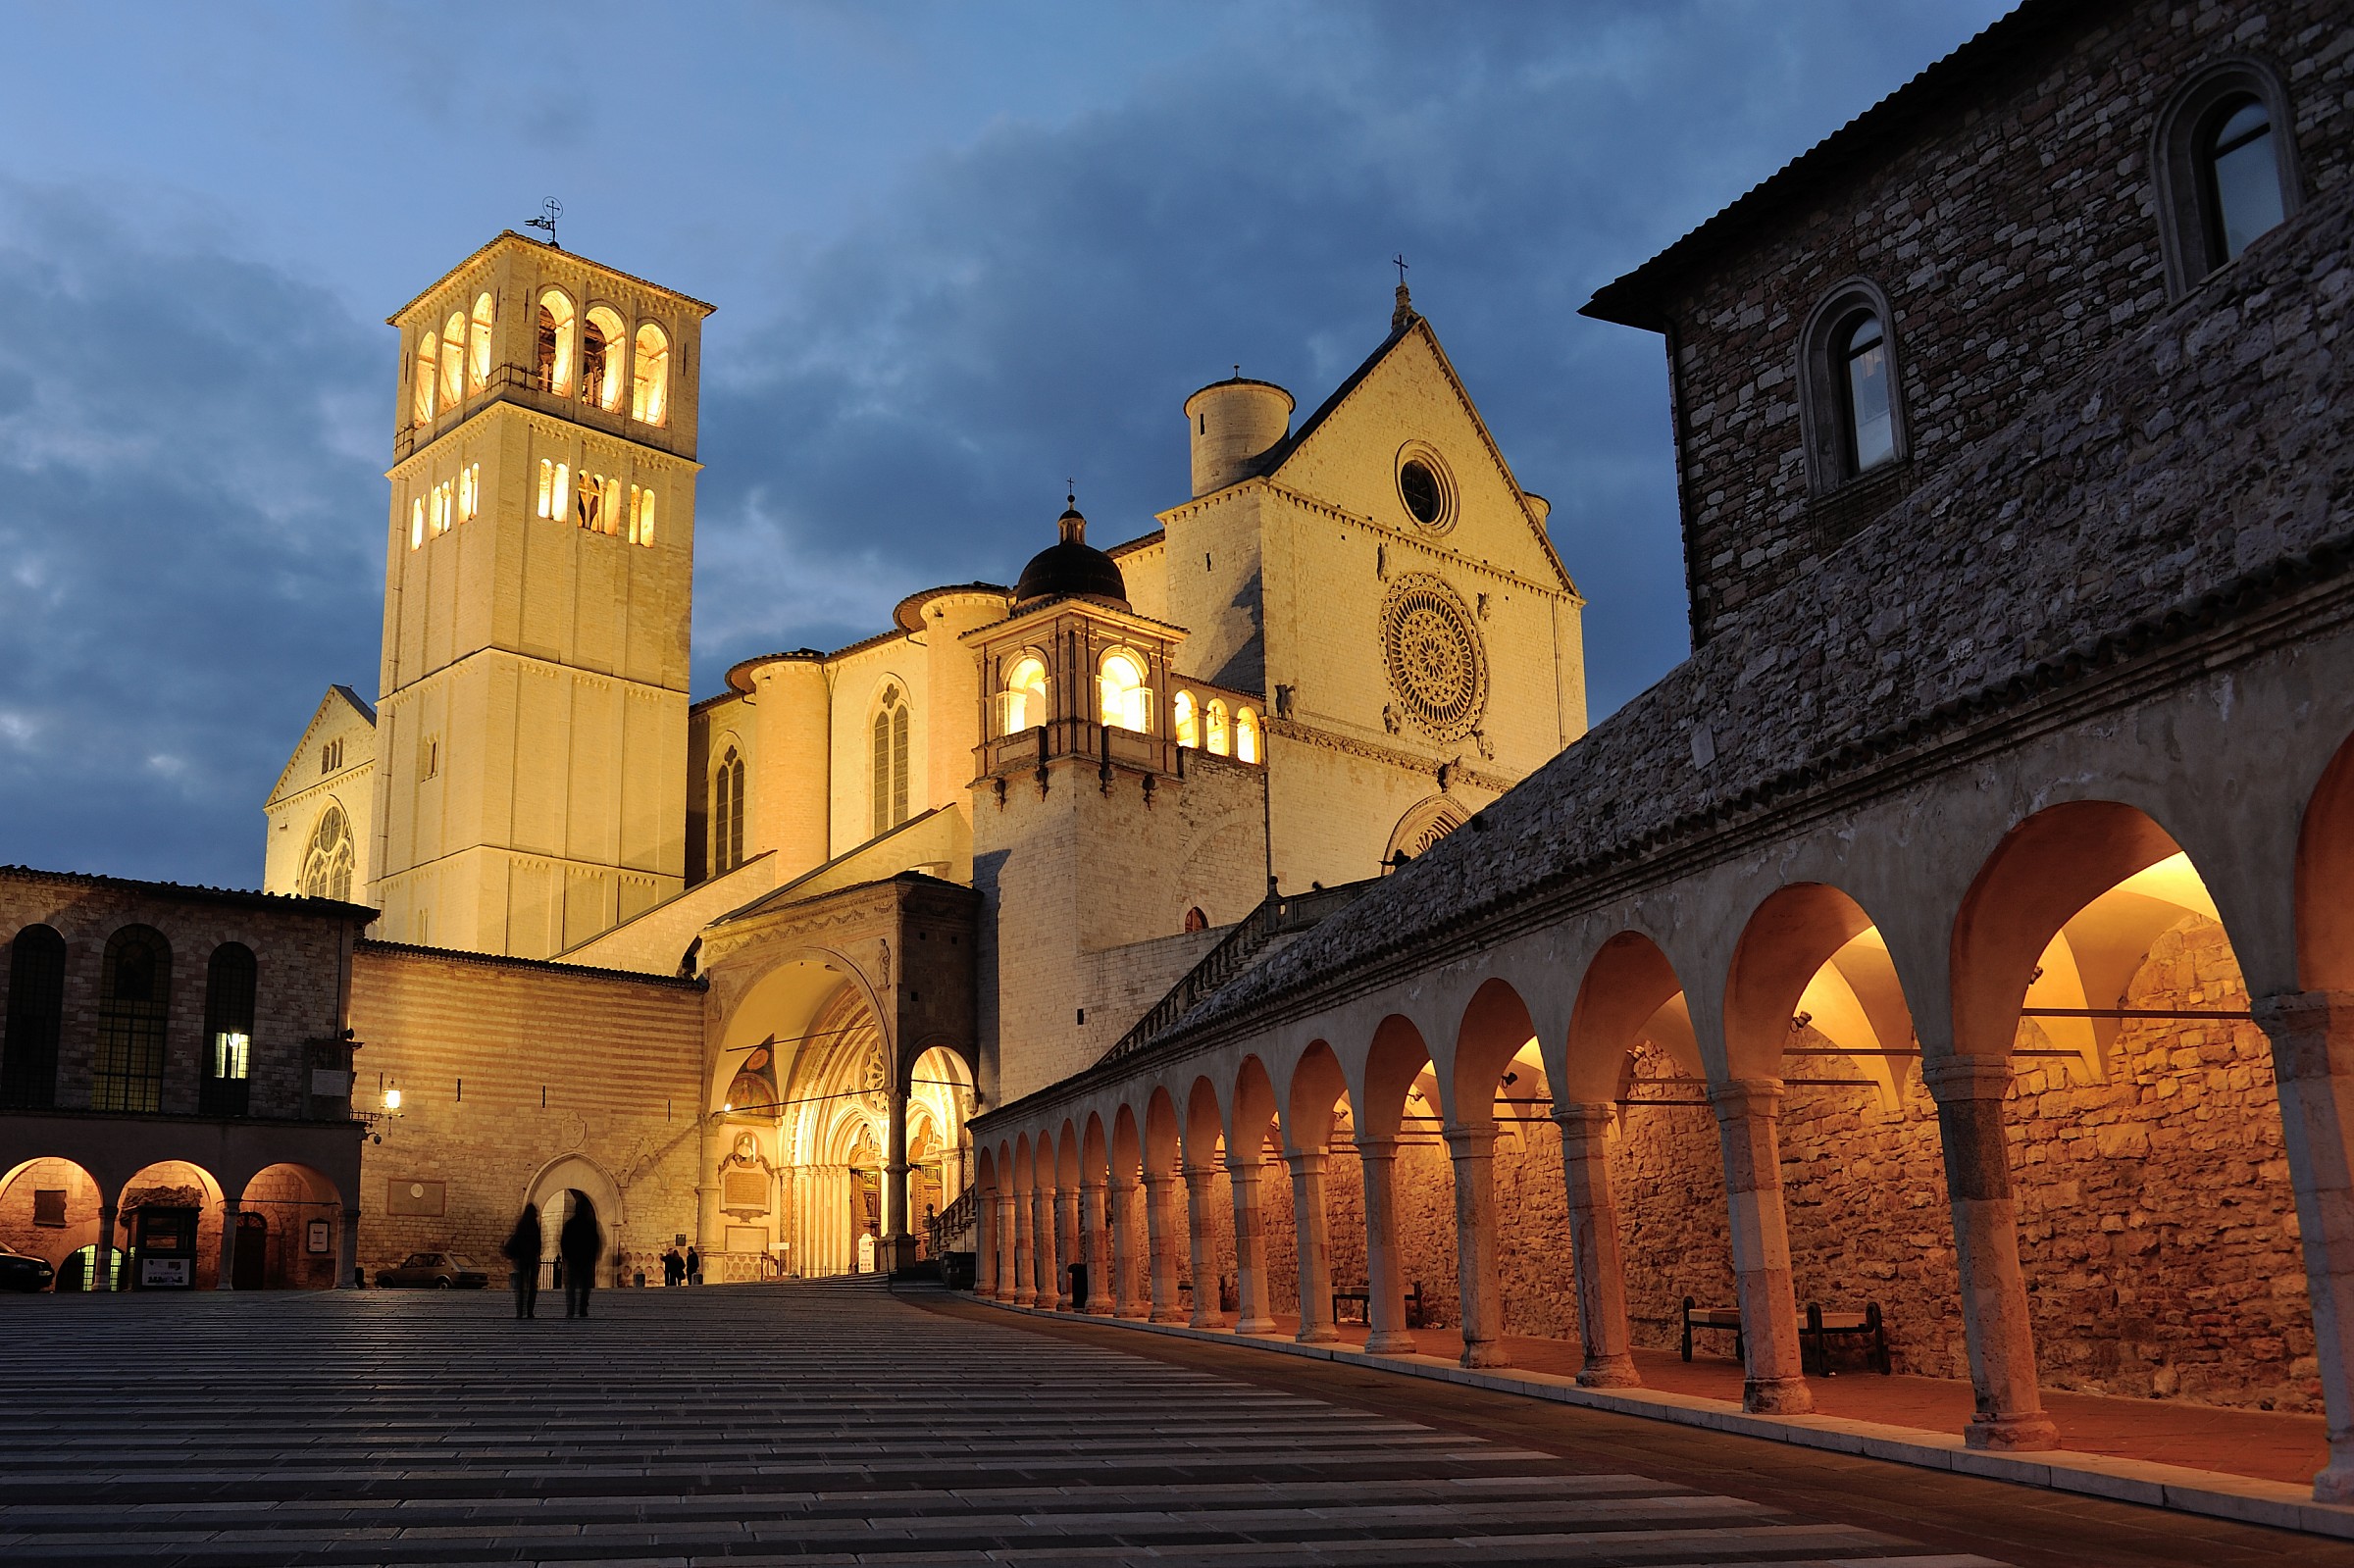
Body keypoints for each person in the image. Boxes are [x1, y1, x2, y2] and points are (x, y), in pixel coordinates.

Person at [559, 1195, 601, 1319]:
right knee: (584, 1286)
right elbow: (595, 1241)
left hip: (574, 1260)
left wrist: (566, 1255)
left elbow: (564, 1241)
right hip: (585, 1260)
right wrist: (593, 1255)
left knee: (572, 1286)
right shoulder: (589, 1225)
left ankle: (571, 1309)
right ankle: (582, 1309)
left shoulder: (570, 1224)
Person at [500, 1204, 542, 1320]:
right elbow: (538, 1243)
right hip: (531, 1259)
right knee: (532, 1286)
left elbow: (518, 1239)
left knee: (521, 1286)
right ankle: (529, 1311)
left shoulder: (521, 1224)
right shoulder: (534, 1225)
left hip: (522, 1259)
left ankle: (520, 1311)